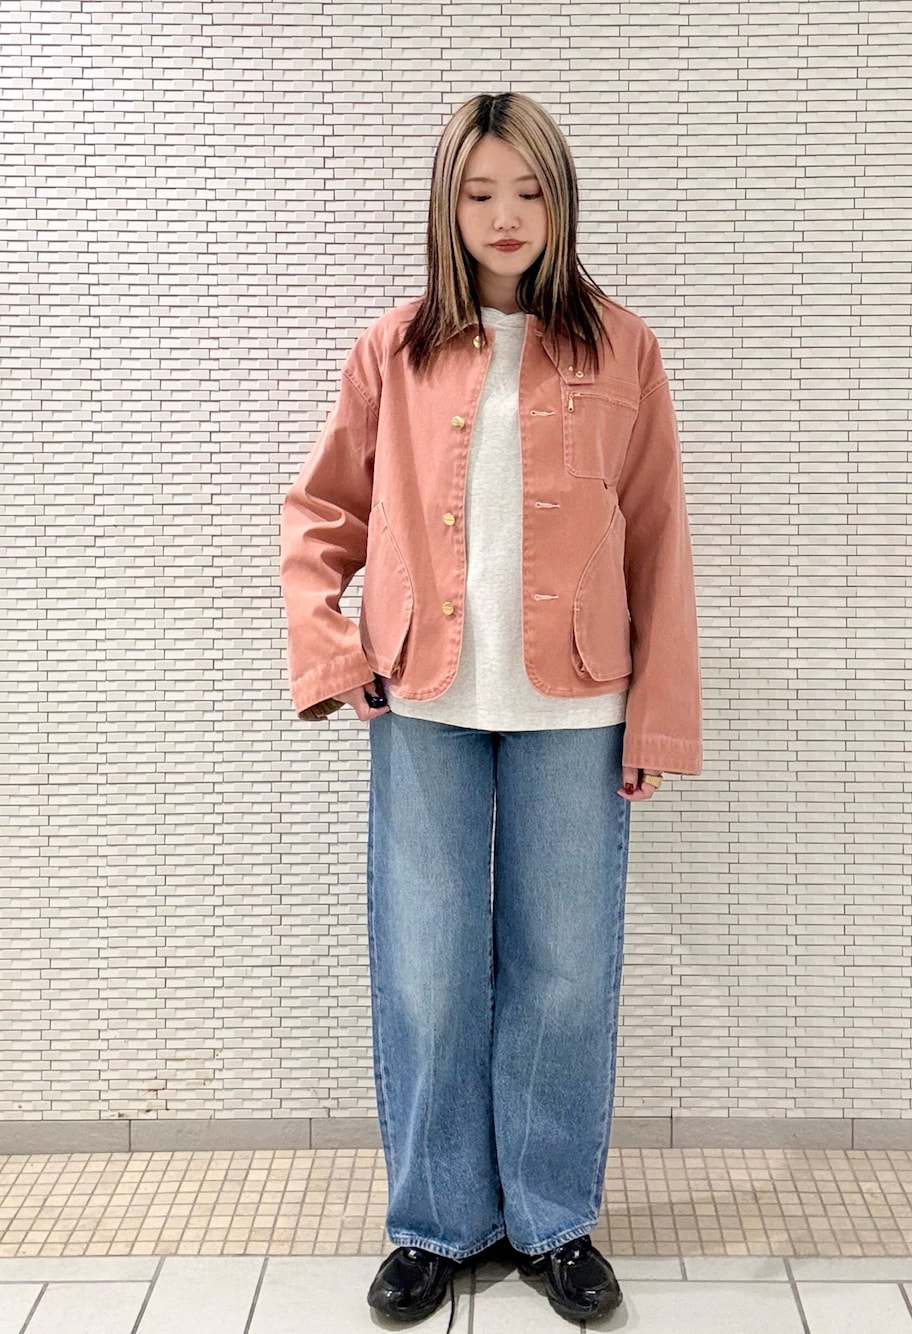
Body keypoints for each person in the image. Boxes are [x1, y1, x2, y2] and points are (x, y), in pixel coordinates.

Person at [279, 91, 702, 1326]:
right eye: (478, 193)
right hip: (424, 697)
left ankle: (553, 1217)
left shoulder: (622, 347)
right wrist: (333, 650)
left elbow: (659, 539)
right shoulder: (394, 348)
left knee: (564, 971)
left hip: (580, 704)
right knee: (428, 969)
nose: (504, 216)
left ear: (559, 202)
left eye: (527, 191)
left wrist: (655, 719)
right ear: (446, 206)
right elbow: (318, 516)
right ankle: (436, 1220)